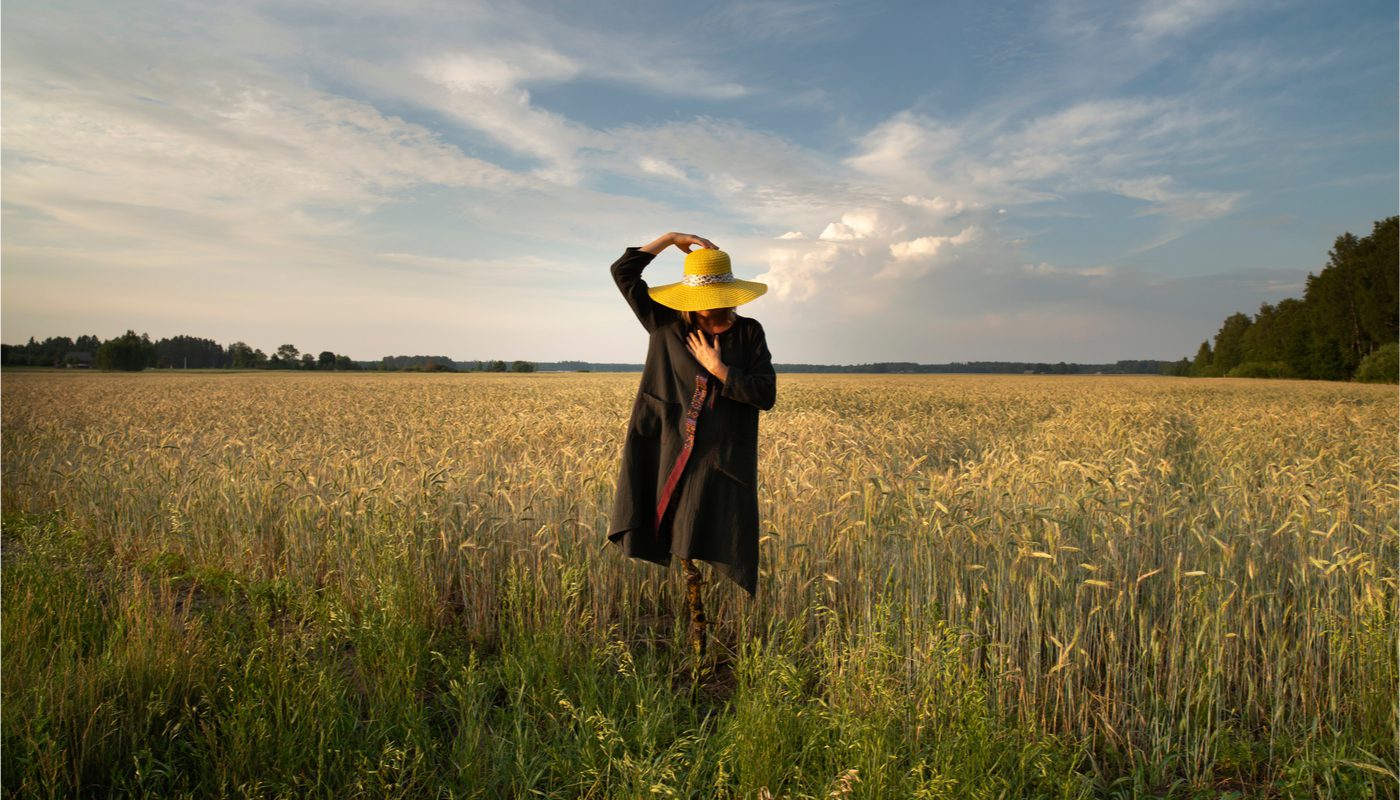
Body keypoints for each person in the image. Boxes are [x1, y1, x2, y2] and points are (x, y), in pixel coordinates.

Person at [607, 231, 776, 657]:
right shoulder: (664, 320)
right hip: (664, 447)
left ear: (730, 294)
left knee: (709, 531)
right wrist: (669, 239)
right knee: (668, 529)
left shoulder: (749, 333)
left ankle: (704, 642)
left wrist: (719, 369)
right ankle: (696, 634)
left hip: (721, 456)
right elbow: (623, 272)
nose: (705, 307)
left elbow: (765, 395)